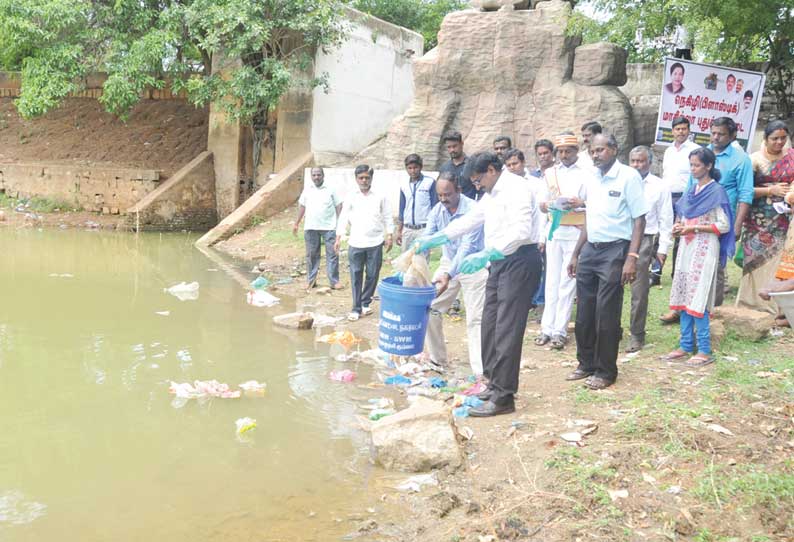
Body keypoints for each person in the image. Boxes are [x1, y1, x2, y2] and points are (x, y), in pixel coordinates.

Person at [415, 152, 541, 416]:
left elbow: (522, 231)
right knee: (490, 324)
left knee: (506, 328)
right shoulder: (491, 194)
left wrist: (487, 252)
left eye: (478, 179)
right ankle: (494, 384)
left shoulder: (517, 188)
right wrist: (438, 237)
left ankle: (504, 397)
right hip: (498, 263)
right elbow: (470, 220)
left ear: (492, 170)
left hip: (518, 261)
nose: (477, 185)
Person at [567, 134, 647, 390]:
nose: (595, 154)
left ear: (614, 149)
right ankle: (586, 363)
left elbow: (639, 220)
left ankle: (605, 371)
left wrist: (631, 258)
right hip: (591, 248)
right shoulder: (592, 177)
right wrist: (576, 253)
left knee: (606, 313)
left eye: (600, 150)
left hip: (616, 250)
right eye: (592, 151)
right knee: (584, 313)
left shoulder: (628, 177)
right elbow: (589, 217)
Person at [661, 116, 753, 322]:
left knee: (715, 267)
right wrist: (680, 218)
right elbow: (688, 190)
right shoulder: (702, 154)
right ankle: (681, 307)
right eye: (713, 133)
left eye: (721, 134)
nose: (716, 137)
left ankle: (712, 312)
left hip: (719, 219)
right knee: (683, 261)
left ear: (733, 135)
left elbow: (746, 193)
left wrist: (737, 225)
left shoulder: (741, 159)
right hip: (691, 219)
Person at [661, 148, 734, 367]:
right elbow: (683, 217)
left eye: (697, 165)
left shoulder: (717, 191)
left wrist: (696, 227)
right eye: (691, 165)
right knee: (683, 292)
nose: (693, 169)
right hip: (686, 245)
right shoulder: (691, 191)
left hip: (704, 247)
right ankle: (685, 345)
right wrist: (678, 227)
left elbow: (724, 225)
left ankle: (704, 349)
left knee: (698, 294)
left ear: (709, 166)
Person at [423, 172, 486, 376]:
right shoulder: (438, 210)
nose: (443, 199)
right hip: (448, 262)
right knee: (430, 308)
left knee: (475, 319)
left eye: (448, 194)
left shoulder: (473, 211)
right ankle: (437, 360)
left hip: (473, 265)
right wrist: (413, 261)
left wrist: (449, 275)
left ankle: (481, 372)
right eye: (440, 195)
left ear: (458, 189)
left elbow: (467, 247)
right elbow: (428, 238)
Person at [536, 134, 589, 350]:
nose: (564, 155)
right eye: (561, 151)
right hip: (554, 231)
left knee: (568, 283)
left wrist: (580, 202)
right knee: (551, 282)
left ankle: (560, 330)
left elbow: (594, 202)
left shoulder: (588, 174)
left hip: (576, 232)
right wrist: (552, 205)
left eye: (569, 150)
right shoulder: (550, 173)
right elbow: (541, 205)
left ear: (576, 150)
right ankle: (546, 328)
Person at [736, 121, 793, 317]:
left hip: (784, 219)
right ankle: (750, 303)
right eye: (774, 138)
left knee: (779, 261)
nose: (779, 142)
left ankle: (777, 308)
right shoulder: (754, 160)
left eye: (783, 138)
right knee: (755, 260)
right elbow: (744, 190)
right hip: (758, 220)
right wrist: (771, 190)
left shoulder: (791, 157)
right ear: (765, 139)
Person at [625, 146, 674, 352]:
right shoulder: (623, 181)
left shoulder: (659, 186)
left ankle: (637, 334)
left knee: (639, 290)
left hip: (645, 240)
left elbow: (666, 218)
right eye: (633, 161)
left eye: (641, 161)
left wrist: (662, 248)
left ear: (650, 162)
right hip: (620, 238)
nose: (636, 165)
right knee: (611, 286)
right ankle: (612, 330)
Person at [335, 165, 393, 321]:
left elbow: (387, 215)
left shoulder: (380, 196)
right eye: (361, 177)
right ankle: (356, 308)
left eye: (367, 177)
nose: (364, 180)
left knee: (373, 274)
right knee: (355, 275)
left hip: (375, 241)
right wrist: (339, 236)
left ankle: (365, 302)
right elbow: (343, 217)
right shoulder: (351, 196)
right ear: (356, 179)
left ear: (371, 178)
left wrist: (390, 234)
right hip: (356, 242)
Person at [657, 116, 700, 286]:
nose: (681, 132)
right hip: (667, 196)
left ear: (689, 131)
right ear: (672, 131)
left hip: (685, 197)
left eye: (684, 128)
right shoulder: (668, 151)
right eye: (677, 129)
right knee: (662, 233)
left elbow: (695, 176)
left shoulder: (695, 150)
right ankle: (656, 272)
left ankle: (677, 274)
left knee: (680, 235)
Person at [504, 148, 548, 309]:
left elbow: (543, 214)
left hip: (532, 238)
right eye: (508, 165)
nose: (512, 167)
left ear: (523, 163)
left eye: (515, 163)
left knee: (534, 274)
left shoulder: (536, 184)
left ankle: (536, 303)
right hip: (512, 239)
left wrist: (542, 238)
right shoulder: (504, 187)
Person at [293, 167, 344, 290]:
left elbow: (339, 205)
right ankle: (311, 281)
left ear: (323, 175)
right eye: (314, 175)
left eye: (319, 175)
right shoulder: (307, 190)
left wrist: (340, 223)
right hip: (311, 227)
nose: (316, 177)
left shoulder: (331, 189)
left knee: (332, 254)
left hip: (329, 227)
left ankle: (334, 282)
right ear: (311, 176)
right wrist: (297, 223)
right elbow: (302, 206)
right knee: (311, 255)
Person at [396, 154, 437, 252]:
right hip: (408, 228)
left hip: (423, 228)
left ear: (421, 167)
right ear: (406, 168)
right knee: (405, 260)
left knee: (421, 261)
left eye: (415, 167)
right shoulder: (404, 185)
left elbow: (435, 207)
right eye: (409, 168)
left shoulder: (430, 182)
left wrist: (433, 229)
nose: (413, 171)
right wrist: (399, 230)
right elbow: (402, 208)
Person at [439, 131, 481, 200]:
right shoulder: (444, 168)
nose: (452, 150)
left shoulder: (473, 165)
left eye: (455, 146)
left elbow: (480, 190)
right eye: (449, 147)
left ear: (462, 144)